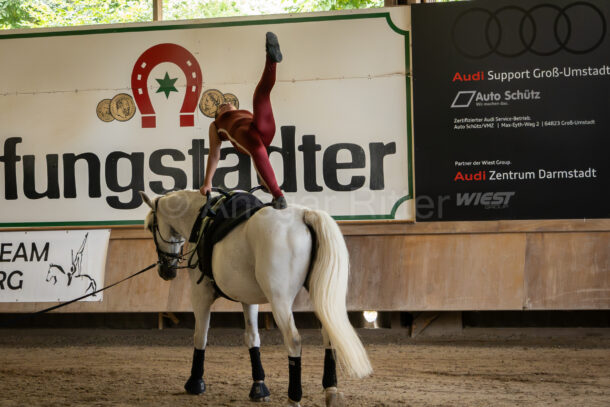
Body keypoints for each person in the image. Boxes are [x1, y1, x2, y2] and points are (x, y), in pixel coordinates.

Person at [200, 32, 287, 209]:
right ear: (218, 114)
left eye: (229, 102)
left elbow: (260, 158)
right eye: (222, 106)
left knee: (260, 96)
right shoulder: (216, 125)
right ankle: (278, 195)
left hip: (261, 128)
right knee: (256, 148)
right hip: (242, 134)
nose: (227, 103)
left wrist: (263, 180)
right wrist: (207, 182)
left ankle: (271, 59)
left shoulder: (243, 112)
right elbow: (214, 155)